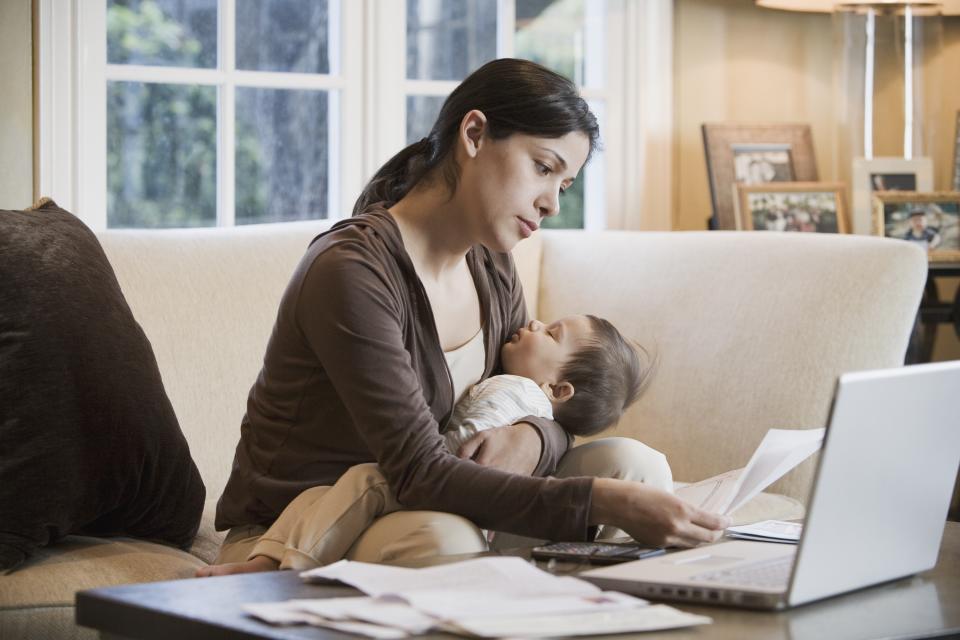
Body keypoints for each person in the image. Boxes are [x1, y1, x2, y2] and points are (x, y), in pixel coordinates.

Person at [206, 58, 729, 577]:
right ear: (475, 134)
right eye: (544, 168)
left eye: (564, 186)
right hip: (297, 535)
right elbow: (416, 471)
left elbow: (539, 398)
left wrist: (534, 435)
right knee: (442, 536)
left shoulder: (492, 262)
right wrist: (598, 502)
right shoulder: (351, 271)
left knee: (635, 468)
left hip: (440, 501)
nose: (552, 203)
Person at [199, 313, 653, 574]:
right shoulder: (358, 274)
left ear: (559, 391)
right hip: (454, 504)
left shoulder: (514, 387)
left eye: (551, 332)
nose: (533, 320)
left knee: (366, 480)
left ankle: (278, 568)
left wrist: (533, 436)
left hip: (447, 483)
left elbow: (473, 448)